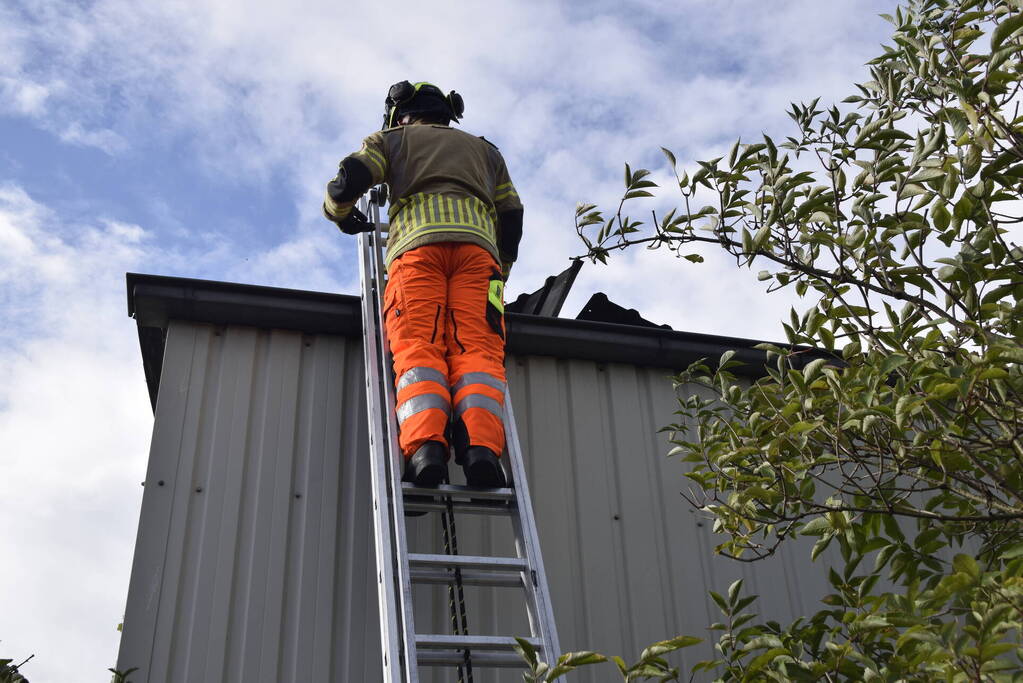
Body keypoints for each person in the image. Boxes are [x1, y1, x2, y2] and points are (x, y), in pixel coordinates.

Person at [323, 81, 523, 491]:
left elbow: (352, 176)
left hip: (417, 252)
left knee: (418, 347)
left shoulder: (393, 140)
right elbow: (512, 215)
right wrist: (499, 269)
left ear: (401, 114)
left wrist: (338, 212)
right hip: (479, 258)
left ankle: (426, 449)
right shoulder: (487, 152)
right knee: (479, 350)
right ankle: (481, 451)